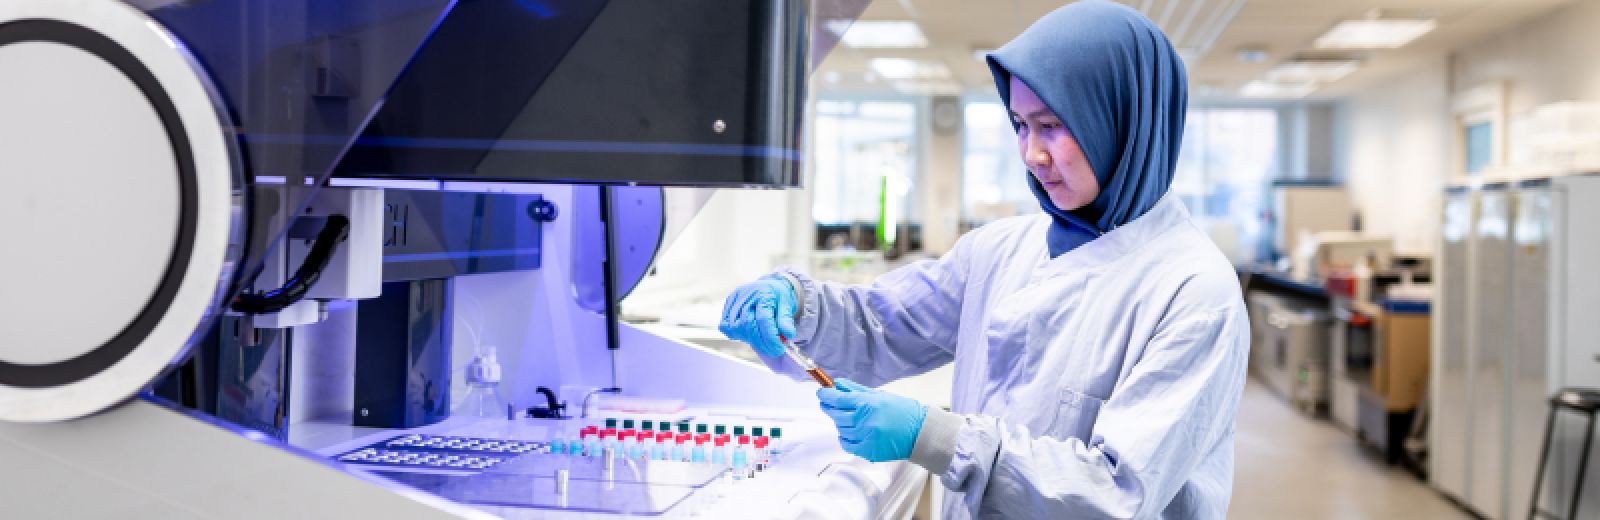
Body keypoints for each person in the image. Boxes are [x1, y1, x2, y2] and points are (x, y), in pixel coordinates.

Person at [719, 1, 1249, 518]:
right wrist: (799, 306)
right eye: (1021, 125)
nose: (1031, 154)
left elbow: (1116, 493)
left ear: (1121, 121)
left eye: (1053, 126)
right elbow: (883, 326)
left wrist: (937, 437)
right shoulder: (999, 250)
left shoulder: (1195, 292)